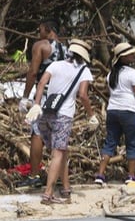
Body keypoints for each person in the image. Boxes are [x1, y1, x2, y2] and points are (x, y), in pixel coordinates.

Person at [24, 42, 97, 203]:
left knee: (61, 151)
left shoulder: (55, 65)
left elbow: (41, 83)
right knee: (58, 154)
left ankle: (65, 188)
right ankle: (48, 193)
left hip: (46, 112)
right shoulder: (84, 71)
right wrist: (91, 115)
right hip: (63, 116)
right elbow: (83, 95)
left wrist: (36, 104)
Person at [19, 20, 69, 185]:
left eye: (40, 29)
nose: (38, 32)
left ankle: (34, 176)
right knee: (59, 136)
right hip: (62, 97)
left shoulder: (41, 45)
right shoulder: (66, 48)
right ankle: (62, 178)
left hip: (45, 94)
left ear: (47, 29)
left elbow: (33, 72)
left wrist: (25, 96)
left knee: (37, 133)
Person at [95, 43, 135, 187]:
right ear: (124, 57)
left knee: (110, 142)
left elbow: (109, 91)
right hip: (130, 111)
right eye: (131, 54)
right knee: (132, 143)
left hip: (113, 110)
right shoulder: (132, 73)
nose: (134, 56)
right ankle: (131, 176)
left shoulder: (111, 74)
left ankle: (100, 174)